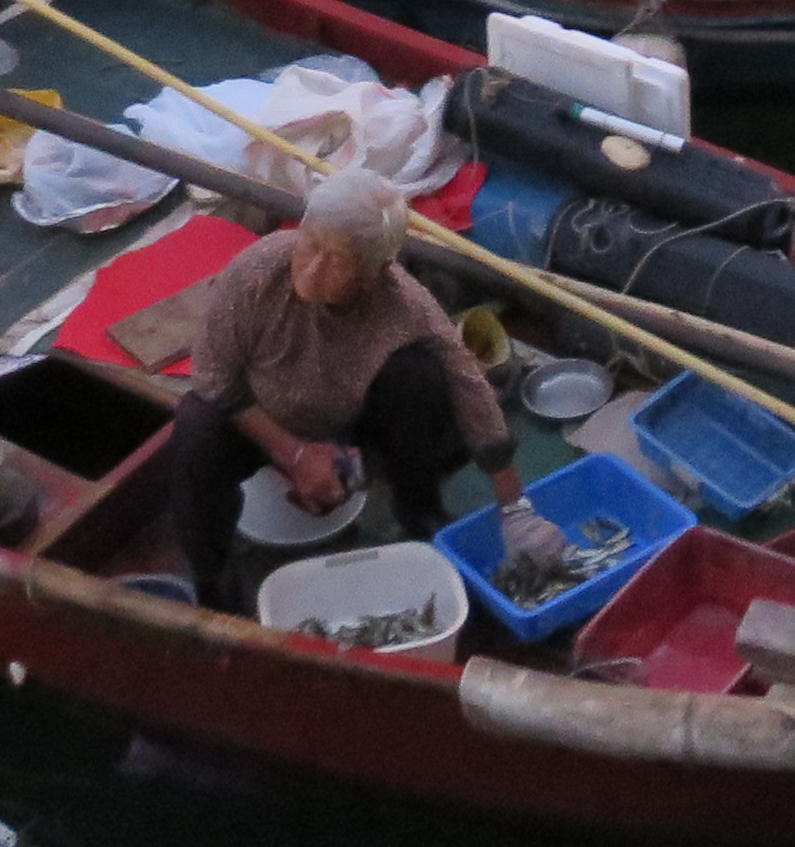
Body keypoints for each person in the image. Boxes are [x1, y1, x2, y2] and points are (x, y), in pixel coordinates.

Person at [166, 170, 557, 595]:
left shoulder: (402, 302)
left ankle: (418, 512)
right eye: (310, 244)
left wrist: (514, 506)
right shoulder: (255, 273)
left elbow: (466, 377)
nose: (313, 268)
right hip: (255, 422)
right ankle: (211, 577)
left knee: (420, 376)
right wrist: (294, 455)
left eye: (337, 260)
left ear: (374, 271)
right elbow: (213, 378)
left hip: (344, 424)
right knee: (195, 425)